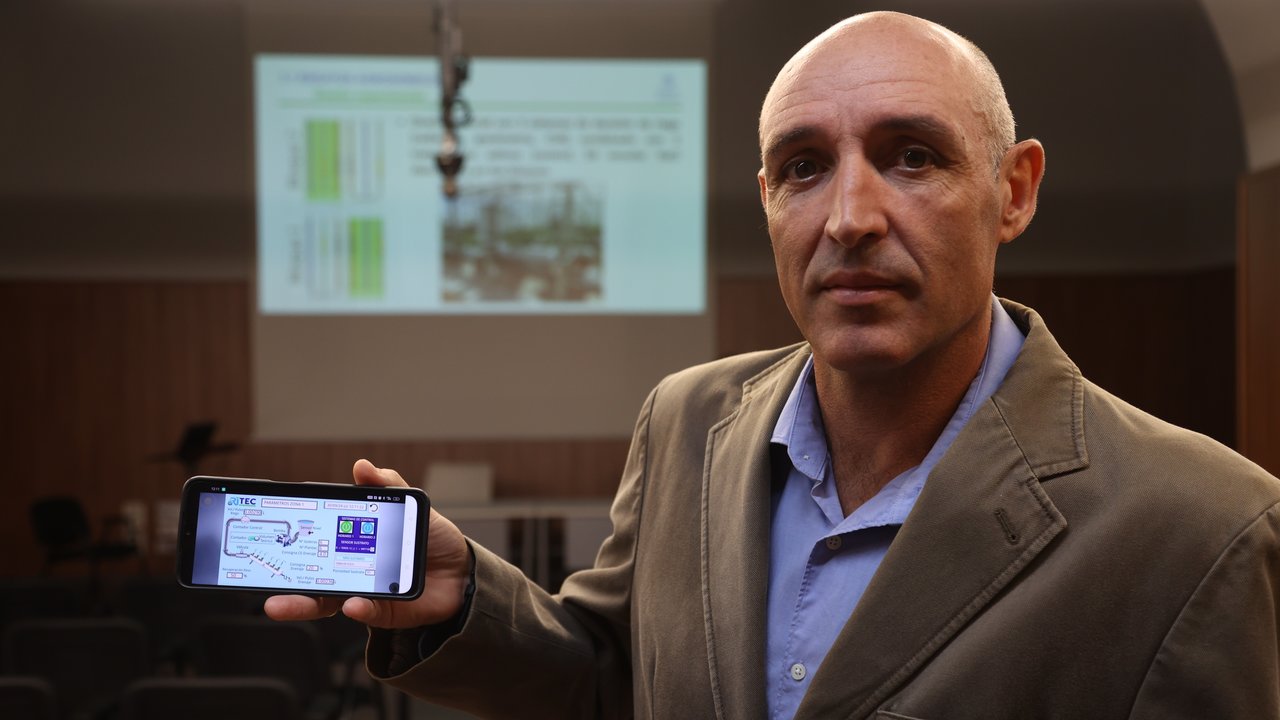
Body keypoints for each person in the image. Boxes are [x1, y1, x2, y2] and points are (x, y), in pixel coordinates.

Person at [267, 11, 1280, 719]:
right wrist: (463, 603)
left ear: (1012, 192)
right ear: (766, 201)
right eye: (802, 168)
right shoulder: (685, 421)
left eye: (911, 156)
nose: (846, 218)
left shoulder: (1203, 528)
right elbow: (611, 683)